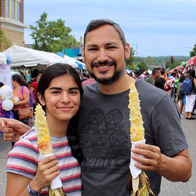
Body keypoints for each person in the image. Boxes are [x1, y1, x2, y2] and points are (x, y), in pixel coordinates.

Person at [0, 19, 192, 196]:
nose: (102, 57)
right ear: (84, 54)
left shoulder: (156, 101)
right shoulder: (81, 97)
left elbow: (185, 171)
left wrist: (161, 162)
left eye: (110, 47)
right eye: (93, 49)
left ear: (126, 50)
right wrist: (31, 137)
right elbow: (65, 138)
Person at [6, 64, 83, 196]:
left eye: (72, 92)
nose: (65, 99)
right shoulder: (26, 148)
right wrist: (36, 184)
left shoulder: (84, 138)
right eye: (56, 92)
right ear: (41, 98)